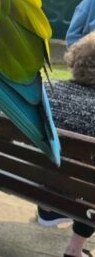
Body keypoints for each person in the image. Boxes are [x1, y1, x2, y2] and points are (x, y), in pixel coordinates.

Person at [36, 31, 95, 257]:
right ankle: (74, 249)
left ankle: (48, 209)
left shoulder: (44, 91)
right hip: (77, 190)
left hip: (26, 176)